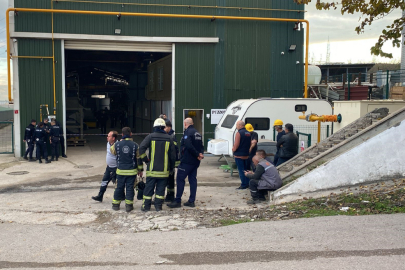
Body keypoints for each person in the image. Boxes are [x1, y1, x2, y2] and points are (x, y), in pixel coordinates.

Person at [139, 118, 176, 212]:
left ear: (154, 127)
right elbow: (172, 156)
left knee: (148, 189)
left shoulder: (150, 137)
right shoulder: (169, 138)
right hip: (164, 171)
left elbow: (141, 149)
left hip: (152, 170)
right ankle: (158, 207)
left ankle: (146, 207)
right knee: (160, 190)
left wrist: (146, 160)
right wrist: (171, 167)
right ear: (164, 127)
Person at [167, 118, 204, 208]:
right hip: (195, 162)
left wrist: (196, 154)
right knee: (192, 180)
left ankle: (177, 200)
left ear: (185, 123)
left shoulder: (188, 132)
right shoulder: (197, 133)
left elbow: (188, 145)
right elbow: (201, 146)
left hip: (187, 161)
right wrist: (200, 154)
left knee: (180, 179)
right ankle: (191, 201)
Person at [110, 127, 143, 212]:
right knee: (130, 188)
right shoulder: (135, 145)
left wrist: (119, 143)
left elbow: (112, 151)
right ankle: (128, 206)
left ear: (122, 134)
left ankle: (115, 205)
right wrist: (140, 170)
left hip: (120, 171)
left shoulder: (117, 145)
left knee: (119, 188)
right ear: (131, 134)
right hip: (131, 172)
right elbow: (139, 158)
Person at [92, 131, 118, 202]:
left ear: (113, 138)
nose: (107, 137)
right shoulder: (108, 143)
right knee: (104, 181)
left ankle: (121, 196)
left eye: (109, 136)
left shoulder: (118, 145)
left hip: (116, 168)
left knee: (117, 183)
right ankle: (100, 197)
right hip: (109, 167)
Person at [232, 120, 251, 190]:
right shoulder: (248, 133)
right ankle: (248, 183)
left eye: (237, 125)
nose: (236, 127)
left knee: (241, 170)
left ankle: (243, 184)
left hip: (239, 155)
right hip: (246, 155)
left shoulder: (239, 133)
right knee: (246, 170)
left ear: (240, 125)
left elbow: (236, 144)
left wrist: (233, 149)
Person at [164, 120, 180, 202]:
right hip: (168, 162)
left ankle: (170, 196)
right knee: (168, 180)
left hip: (170, 162)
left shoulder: (171, 136)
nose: (164, 129)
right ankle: (169, 195)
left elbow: (173, 151)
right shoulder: (170, 135)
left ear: (169, 127)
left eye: (165, 127)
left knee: (170, 180)